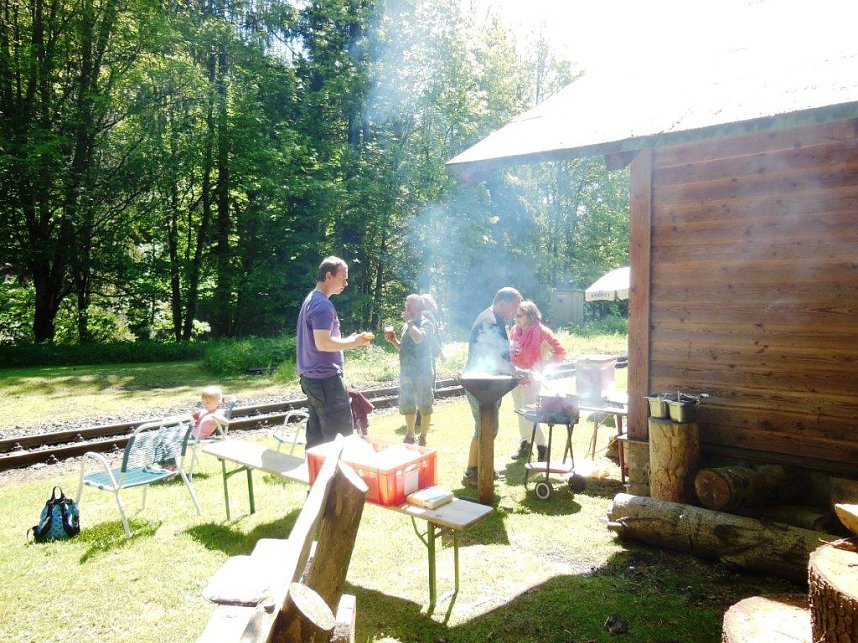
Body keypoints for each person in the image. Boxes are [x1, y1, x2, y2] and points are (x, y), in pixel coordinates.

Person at [297, 256, 373, 449]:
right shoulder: (322, 305)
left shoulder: (311, 299)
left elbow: (321, 341)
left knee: (317, 440)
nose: (346, 283)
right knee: (340, 439)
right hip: (326, 381)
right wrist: (354, 342)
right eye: (343, 278)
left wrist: (349, 340)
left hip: (312, 380)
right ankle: (339, 479)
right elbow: (323, 344)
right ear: (329, 275)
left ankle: (316, 477)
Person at [461, 286, 522, 486]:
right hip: (481, 385)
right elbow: (490, 358)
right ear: (501, 303)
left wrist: (509, 348)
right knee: (485, 428)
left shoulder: (494, 319)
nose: (515, 313)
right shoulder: (489, 320)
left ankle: (483, 467)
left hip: (488, 385)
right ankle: (473, 472)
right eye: (513, 308)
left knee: (488, 428)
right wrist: (512, 369)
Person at [509, 300, 567, 461]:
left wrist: (543, 364)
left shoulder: (543, 332)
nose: (516, 318)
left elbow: (560, 352)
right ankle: (525, 445)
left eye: (519, 315)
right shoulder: (515, 330)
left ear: (530, 315)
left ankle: (543, 447)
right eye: (515, 315)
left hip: (532, 379)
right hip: (516, 378)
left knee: (529, 414)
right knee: (520, 413)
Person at [385, 294, 436, 446]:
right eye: (406, 305)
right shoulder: (406, 325)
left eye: (410, 305)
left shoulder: (427, 324)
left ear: (419, 308)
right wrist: (394, 341)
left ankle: (423, 437)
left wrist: (410, 322)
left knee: (425, 406)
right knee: (408, 405)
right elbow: (403, 347)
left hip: (423, 373)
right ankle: (410, 434)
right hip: (406, 372)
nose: (406, 308)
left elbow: (419, 339)